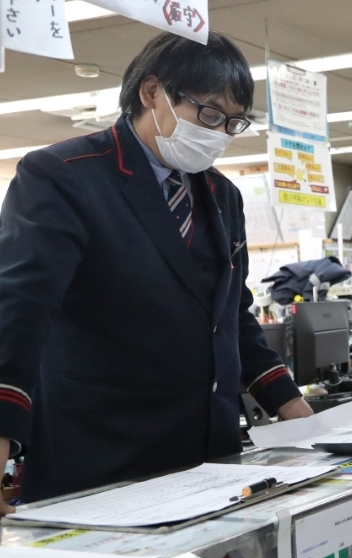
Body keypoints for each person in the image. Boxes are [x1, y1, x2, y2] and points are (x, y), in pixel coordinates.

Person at [0, 31, 313, 511]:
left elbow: (231, 312)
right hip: (102, 449)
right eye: (208, 115)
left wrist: (292, 407)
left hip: (211, 451)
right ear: (152, 93)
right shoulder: (64, 175)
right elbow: (19, 308)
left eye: (233, 123)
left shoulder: (221, 195)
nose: (218, 134)